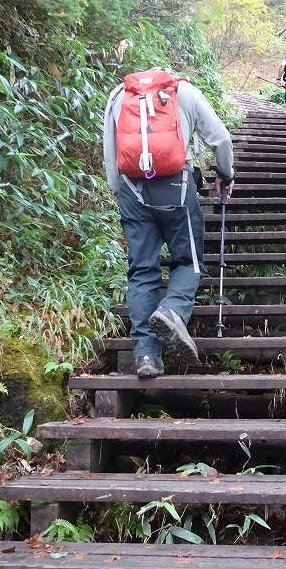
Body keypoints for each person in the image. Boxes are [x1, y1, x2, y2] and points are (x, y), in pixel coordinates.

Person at [103, 68, 234, 378]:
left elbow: (110, 154)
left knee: (141, 270)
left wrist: (120, 193)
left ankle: (146, 355)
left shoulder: (119, 96)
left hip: (132, 191)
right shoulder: (183, 92)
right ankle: (171, 311)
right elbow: (221, 138)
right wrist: (225, 174)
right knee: (188, 262)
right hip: (177, 190)